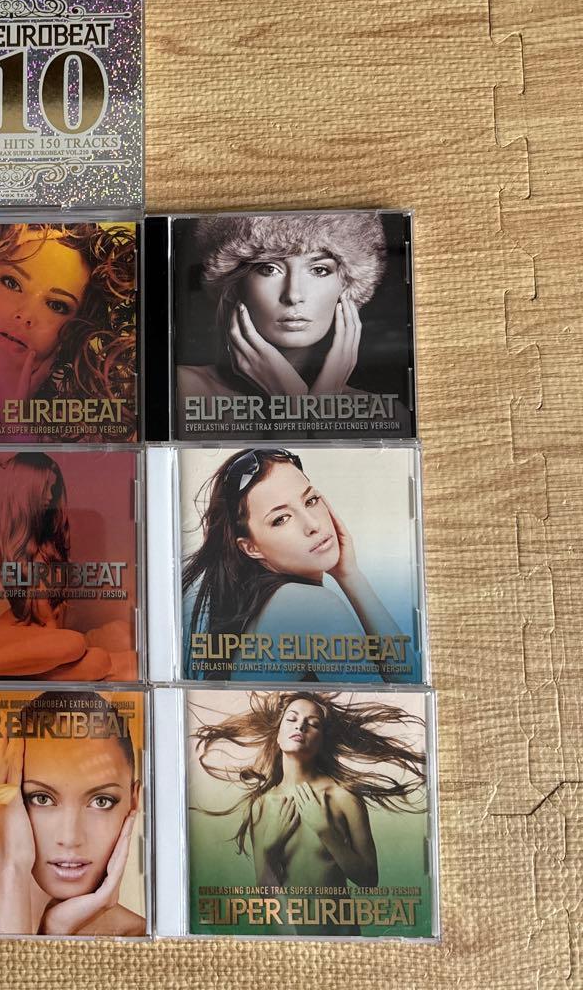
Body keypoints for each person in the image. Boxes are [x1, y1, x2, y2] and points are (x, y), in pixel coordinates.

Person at [192, 690, 426, 936]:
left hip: (342, 941)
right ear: (278, 735)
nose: (300, 726)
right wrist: (269, 848)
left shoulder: (343, 798)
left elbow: (369, 880)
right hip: (287, 940)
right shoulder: (262, 805)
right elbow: (266, 888)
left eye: (313, 724)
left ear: (321, 740)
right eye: (292, 719)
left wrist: (326, 832)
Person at [0, 691, 144, 936]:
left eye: (101, 801)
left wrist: (55, 929)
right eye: (42, 799)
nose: (70, 838)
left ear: (134, 801)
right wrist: (11, 867)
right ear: (5, 799)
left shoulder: (142, 939)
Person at [182, 448, 404, 680]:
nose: (313, 524)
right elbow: (406, 685)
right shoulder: (308, 605)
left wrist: (349, 573)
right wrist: (352, 578)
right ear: (251, 548)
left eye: (310, 500)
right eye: (281, 519)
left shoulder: (274, 604)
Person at [176, 213, 409, 431]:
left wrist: (314, 402)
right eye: (269, 269)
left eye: (319, 270)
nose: (293, 295)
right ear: (235, 286)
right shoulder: (183, 391)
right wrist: (298, 405)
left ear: (347, 287)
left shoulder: (386, 416)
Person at [0, 222, 137, 440]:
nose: (25, 315)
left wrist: (15, 432)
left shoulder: (99, 443)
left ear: (74, 329)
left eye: (56, 305)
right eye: (12, 283)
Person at [0, 453, 134, 681]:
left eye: (53, 488)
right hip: (9, 639)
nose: (49, 496)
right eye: (43, 488)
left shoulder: (53, 544)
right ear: (26, 490)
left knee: (99, 662)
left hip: (45, 648)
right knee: (74, 643)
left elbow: (54, 617)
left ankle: (13, 674)